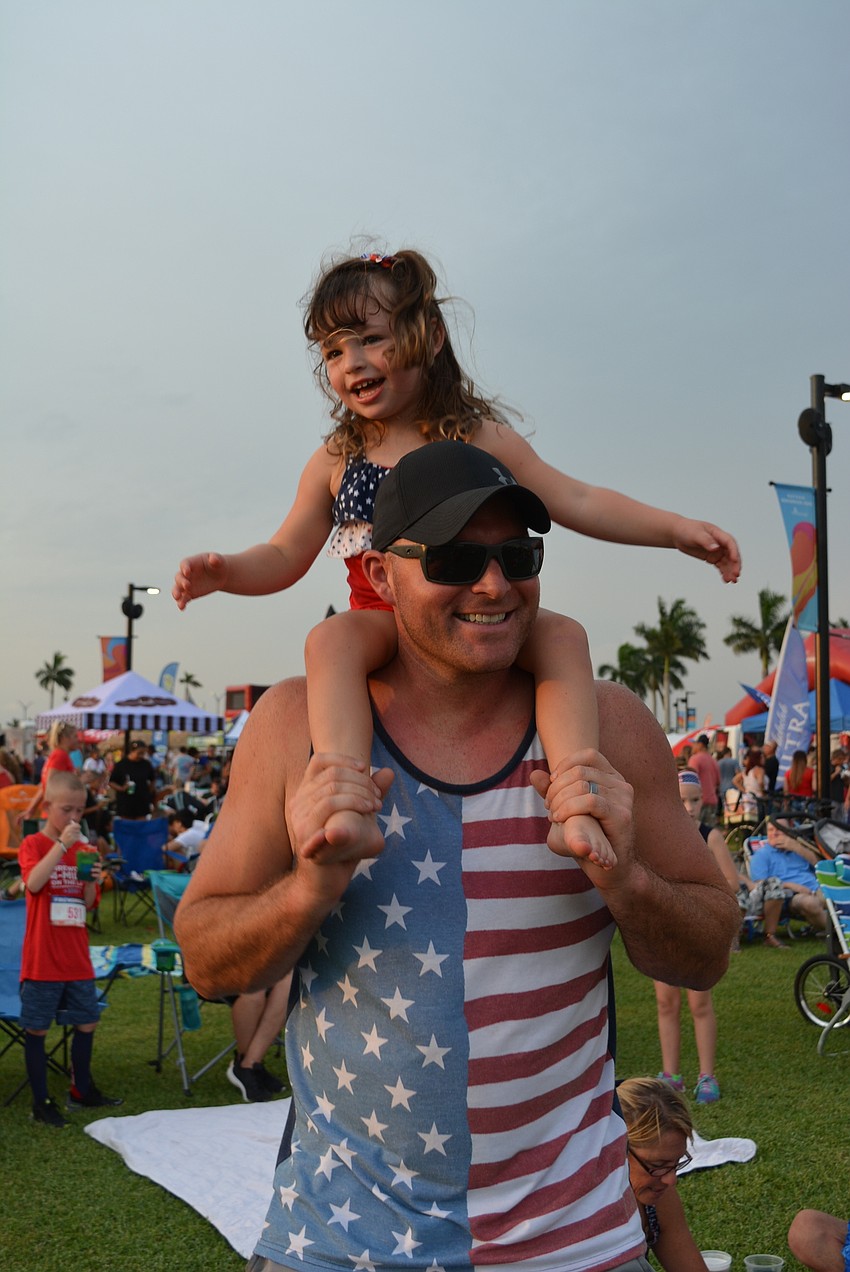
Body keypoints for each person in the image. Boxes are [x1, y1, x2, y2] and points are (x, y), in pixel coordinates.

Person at [175, 442, 740, 1272]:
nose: (494, 584)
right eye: (453, 559)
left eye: (518, 555)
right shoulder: (297, 727)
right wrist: (309, 888)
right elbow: (206, 961)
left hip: (570, 1243)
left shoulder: (607, 728)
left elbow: (707, 952)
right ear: (380, 574)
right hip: (342, 1243)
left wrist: (626, 876)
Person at [174, 248, 740, 874]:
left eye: (370, 339)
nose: (351, 362)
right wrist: (226, 572)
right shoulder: (338, 458)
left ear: (430, 336)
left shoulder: (475, 436)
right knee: (329, 640)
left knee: (563, 636)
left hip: (476, 610)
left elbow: (575, 498)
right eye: (333, 351)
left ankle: (577, 796)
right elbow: (285, 553)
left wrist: (674, 530)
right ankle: (345, 798)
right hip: (385, 620)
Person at [18, 771, 122, 1128]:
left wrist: (92, 882)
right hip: (43, 958)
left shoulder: (85, 850)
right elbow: (33, 883)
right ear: (47, 807)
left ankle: (82, 1090)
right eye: (67, 810)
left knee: (87, 1020)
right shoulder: (33, 844)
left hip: (76, 955)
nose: (75, 818)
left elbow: (87, 903)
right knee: (37, 1029)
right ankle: (41, 1102)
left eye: (79, 811)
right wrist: (61, 845)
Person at [653, 771, 738, 1103]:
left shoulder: (710, 836)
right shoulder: (659, 836)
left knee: (700, 1003)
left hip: (699, 929)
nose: (688, 807)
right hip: (666, 931)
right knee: (666, 1003)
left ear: (704, 800)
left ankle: (706, 1075)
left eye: (695, 800)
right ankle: (671, 1075)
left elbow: (731, 882)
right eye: (682, 800)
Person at [616, 1077, 707, 1272]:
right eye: (658, 1165)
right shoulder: (583, 1209)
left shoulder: (656, 1196)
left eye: (676, 1163)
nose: (671, 1180)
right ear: (617, 1149)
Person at [747, 817, 828, 942]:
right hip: (790, 895)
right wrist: (791, 886)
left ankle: (836, 929)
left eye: (779, 829)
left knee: (838, 897)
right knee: (810, 904)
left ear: (789, 831)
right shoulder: (762, 855)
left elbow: (822, 867)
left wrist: (797, 848)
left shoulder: (798, 850)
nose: (774, 833)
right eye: (770, 830)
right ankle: (839, 932)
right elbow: (760, 884)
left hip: (817, 887)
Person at [227, 976, 292, 1104]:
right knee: (255, 988)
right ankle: (247, 1067)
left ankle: (249, 1063)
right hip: (209, 973)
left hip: (262, 969)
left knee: (291, 982)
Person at [21, 721, 79, 823]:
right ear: (64, 738)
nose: (78, 740)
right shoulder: (60, 756)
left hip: (53, 813)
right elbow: (50, 784)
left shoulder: (57, 755)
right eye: (75, 736)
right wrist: (80, 781)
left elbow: (44, 786)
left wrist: (31, 809)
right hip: (58, 815)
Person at [109, 738, 156, 819]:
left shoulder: (146, 764)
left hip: (142, 803)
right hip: (125, 803)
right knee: (127, 824)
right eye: (139, 753)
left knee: (141, 824)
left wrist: (149, 792)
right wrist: (121, 788)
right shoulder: (121, 765)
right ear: (132, 751)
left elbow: (153, 779)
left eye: (143, 753)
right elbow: (111, 782)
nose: (141, 755)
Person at [686, 734, 721, 825]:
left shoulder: (695, 759)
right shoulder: (713, 761)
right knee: (708, 831)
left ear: (700, 745)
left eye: (694, 744)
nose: (692, 746)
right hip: (712, 802)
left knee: (695, 830)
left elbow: (690, 781)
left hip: (698, 802)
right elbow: (718, 782)